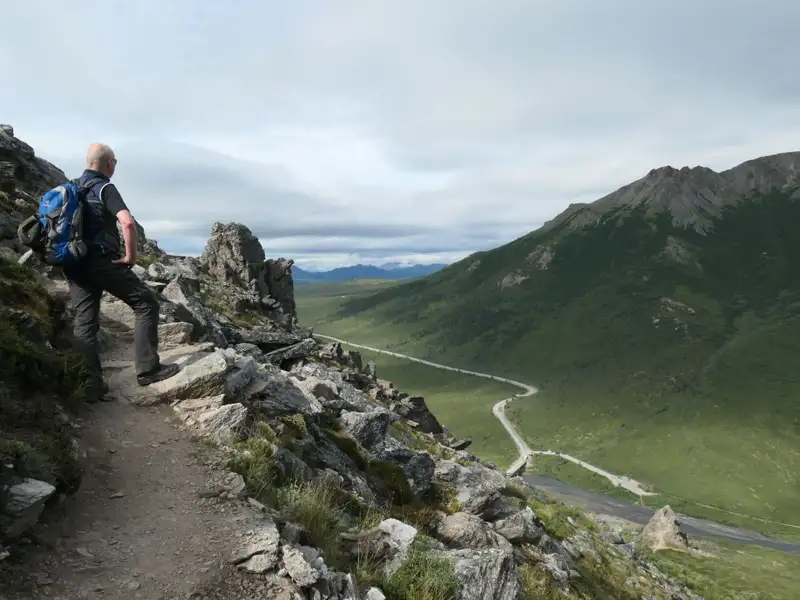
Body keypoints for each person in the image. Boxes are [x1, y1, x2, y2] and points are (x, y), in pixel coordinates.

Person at [64, 143, 179, 401]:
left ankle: (91, 387)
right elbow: (127, 222)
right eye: (114, 162)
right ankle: (148, 369)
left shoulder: (72, 187)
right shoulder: (104, 187)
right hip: (102, 261)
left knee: (85, 322)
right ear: (109, 164)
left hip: (74, 263)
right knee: (146, 303)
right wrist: (130, 257)